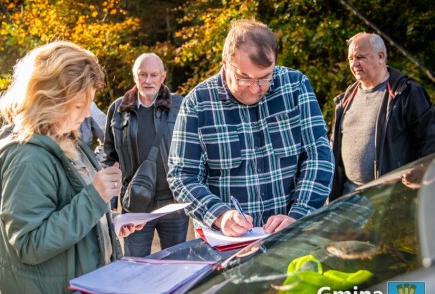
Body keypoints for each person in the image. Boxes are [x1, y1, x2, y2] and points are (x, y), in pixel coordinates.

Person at [0, 41, 143, 294]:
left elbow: (67, 209)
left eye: (89, 103)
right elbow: (29, 244)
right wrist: (95, 197)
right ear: (48, 99)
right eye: (79, 105)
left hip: (81, 291)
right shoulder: (26, 158)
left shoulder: (69, 139)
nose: (87, 113)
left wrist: (108, 222)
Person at [167, 19, 334, 237]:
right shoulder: (198, 103)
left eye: (265, 78)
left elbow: (318, 155)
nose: (255, 89)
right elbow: (182, 175)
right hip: (228, 245)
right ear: (226, 62)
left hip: (291, 234)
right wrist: (220, 215)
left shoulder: (295, 87)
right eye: (244, 78)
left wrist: (299, 213)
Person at [329, 32, 435, 200]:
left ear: (381, 56)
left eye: (360, 57)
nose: (354, 64)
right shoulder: (346, 98)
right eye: (350, 59)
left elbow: (431, 139)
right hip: (349, 199)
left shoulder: (406, 93)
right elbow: (333, 150)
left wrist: (425, 169)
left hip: (391, 199)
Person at [102, 53, 189, 257]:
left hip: (173, 204)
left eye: (153, 75)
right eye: (143, 74)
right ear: (135, 77)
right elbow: (109, 156)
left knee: (174, 266)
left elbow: (193, 150)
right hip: (136, 205)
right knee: (135, 267)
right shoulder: (118, 108)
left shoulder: (179, 106)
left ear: (163, 76)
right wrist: (111, 206)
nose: (148, 80)